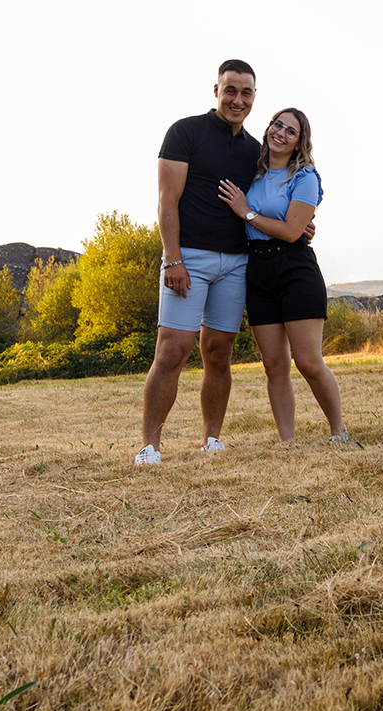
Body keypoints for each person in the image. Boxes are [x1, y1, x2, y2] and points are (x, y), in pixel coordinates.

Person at [135, 60, 261, 465]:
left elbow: (270, 199)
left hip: (237, 263)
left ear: (253, 97)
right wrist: (172, 258)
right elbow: (165, 200)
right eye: (231, 90)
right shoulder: (185, 132)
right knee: (172, 350)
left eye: (246, 93)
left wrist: (301, 226)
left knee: (219, 353)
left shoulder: (255, 150)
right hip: (187, 257)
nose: (237, 100)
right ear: (216, 90)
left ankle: (212, 440)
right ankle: (149, 446)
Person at [218, 108, 348, 443]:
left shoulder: (304, 177)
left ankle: (338, 430)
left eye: (291, 131)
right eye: (277, 125)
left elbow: (292, 232)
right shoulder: (253, 172)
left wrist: (245, 212)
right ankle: (287, 441)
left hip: (294, 269)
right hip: (257, 271)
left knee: (307, 361)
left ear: (299, 143)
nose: (281, 133)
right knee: (274, 365)